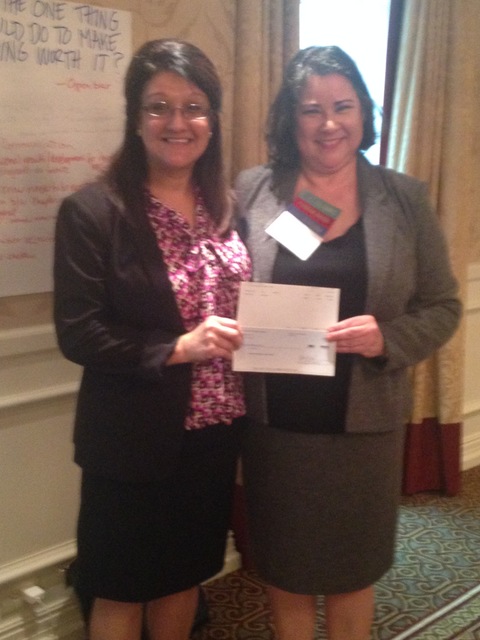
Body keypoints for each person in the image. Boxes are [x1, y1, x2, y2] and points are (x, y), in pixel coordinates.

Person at [234, 45, 462, 640]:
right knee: (284, 571)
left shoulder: (404, 199)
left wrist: (388, 336)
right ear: (291, 119)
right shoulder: (254, 191)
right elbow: (223, 283)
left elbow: (443, 305)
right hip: (276, 429)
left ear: (364, 113)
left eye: (343, 106)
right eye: (311, 109)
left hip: (364, 431)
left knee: (353, 572)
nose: (328, 123)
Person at [53, 38, 251, 640]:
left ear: (212, 120)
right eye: (159, 106)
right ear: (136, 118)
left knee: (185, 579)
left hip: (214, 435)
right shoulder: (93, 212)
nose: (177, 122)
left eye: (194, 107)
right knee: (120, 588)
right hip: (132, 442)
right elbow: (79, 333)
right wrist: (178, 348)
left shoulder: (227, 208)